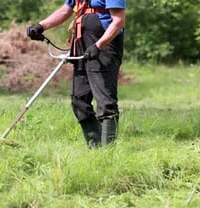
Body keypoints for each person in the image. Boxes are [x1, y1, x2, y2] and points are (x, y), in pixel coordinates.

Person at [27, 0, 126, 148]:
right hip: (82, 43)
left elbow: (118, 21)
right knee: (79, 100)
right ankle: (96, 150)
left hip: (104, 45)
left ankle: (108, 154)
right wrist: (41, 26)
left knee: (105, 102)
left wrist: (99, 46)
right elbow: (65, 11)